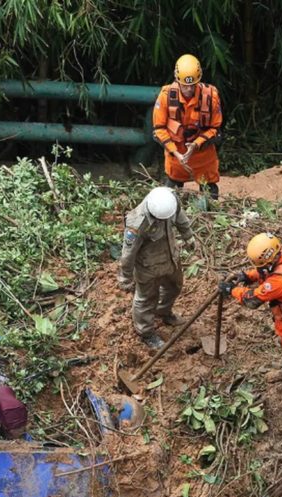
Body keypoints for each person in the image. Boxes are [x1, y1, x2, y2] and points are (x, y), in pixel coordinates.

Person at [220, 233, 282, 387]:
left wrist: (232, 290)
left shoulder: (279, 283)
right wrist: (247, 276)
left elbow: (251, 299)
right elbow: (270, 271)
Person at [118, 187, 192, 350]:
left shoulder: (170, 200)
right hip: (148, 267)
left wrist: (188, 236)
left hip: (171, 258)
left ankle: (163, 312)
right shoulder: (137, 222)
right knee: (145, 300)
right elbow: (128, 253)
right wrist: (125, 278)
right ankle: (146, 332)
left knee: (174, 287)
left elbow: (180, 218)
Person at [152, 54, 224, 199]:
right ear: (177, 79)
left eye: (192, 85)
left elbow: (215, 128)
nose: (189, 89)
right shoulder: (166, 96)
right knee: (170, 193)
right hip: (177, 155)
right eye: (184, 85)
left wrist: (196, 145)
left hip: (203, 154)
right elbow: (159, 129)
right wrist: (175, 152)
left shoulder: (210, 96)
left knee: (210, 192)